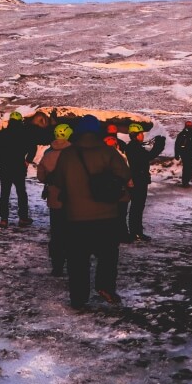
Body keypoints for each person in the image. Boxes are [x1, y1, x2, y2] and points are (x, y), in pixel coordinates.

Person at [46, 115, 132, 308]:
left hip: (75, 217)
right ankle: (105, 286)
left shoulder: (68, 154)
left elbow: (58, 181)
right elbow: (125, 174)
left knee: (78, 259)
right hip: (106, 215)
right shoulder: (108, 152)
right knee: (108, 255)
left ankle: (78, 297)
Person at [37, 122, 74, 275]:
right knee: (72, 232)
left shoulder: (47, 154)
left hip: (54, 199)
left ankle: (57, 265)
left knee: (57, 232)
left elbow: (41, 177)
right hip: (73, 199)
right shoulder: (75, 154)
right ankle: (73, 262)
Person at [0, 110, 37, 228]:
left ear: (10, 121)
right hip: (19, 168)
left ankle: (4, 220)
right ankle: (23, 218)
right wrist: (27, 161)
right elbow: (33, 148)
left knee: (5, 194)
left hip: (5, 167)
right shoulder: (25, 135)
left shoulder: (2, 134)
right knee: (21, 193)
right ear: (20, 121)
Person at [124, 123, 165, 242]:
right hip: (138, 181)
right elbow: (149, 156)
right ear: (135, 135)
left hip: (138, 180)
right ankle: (136, 233)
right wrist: (160, 144)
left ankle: (136, 231)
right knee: (137, 207)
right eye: (140, 133)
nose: (142, 135)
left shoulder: (133, 146)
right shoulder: (134, 148)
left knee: (137, 207)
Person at [104, 123, 131, 242]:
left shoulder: (99, 149)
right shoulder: (121, 151)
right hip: (120, 188)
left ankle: (108, 234)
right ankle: (121, 234)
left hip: (107, 187)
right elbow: (126, 170)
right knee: (120, 212)